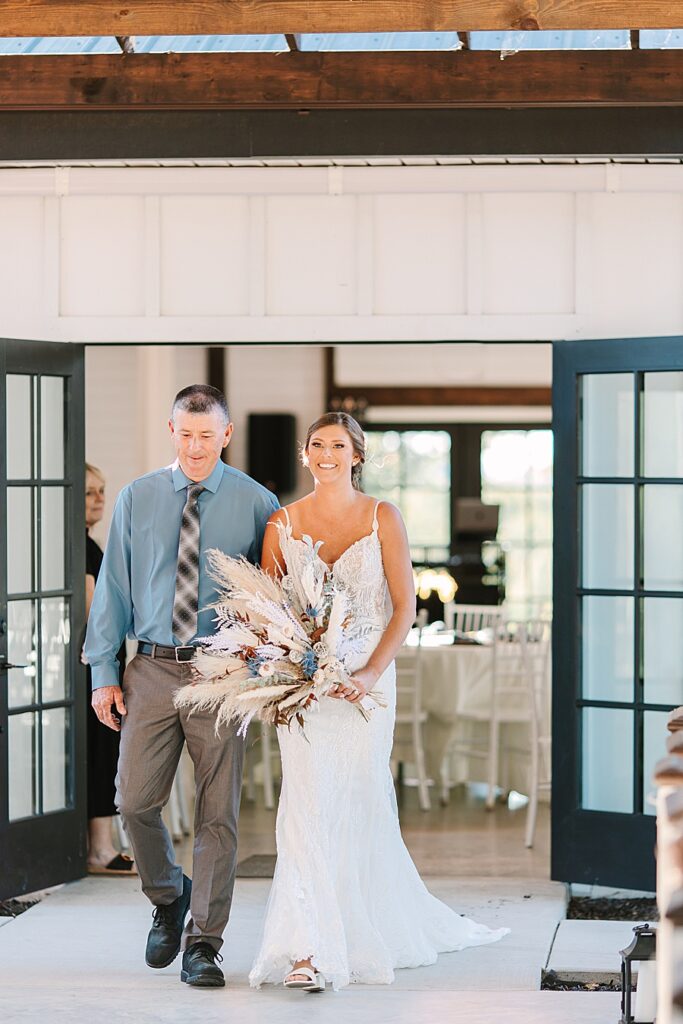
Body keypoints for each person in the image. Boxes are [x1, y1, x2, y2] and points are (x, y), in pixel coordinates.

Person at [249, 412, 509, 993]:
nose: (326, 454)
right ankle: (308, 947)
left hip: (368, 684)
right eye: (317, 445)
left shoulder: (382, 517)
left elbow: (403, 606)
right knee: (306, 807)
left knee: (356, 800)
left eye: (338, 445)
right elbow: (266, 609)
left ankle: (355, 928)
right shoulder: (281, 523)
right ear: (304, 454)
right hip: (307, 685)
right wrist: (284, 668)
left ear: (356, 454)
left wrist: (368, 674)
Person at [85, 385, 279, 989]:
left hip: (220, 671)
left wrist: (259, 667)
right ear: (173, 431)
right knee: (134, 801)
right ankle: (169, 895)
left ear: (225, 436)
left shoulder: (257, 502)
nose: (196, 447)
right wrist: (104, 673)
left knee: (217, 812)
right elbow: (113, 588)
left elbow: (272, 599)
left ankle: (204, 943)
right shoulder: (138, 497)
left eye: (207, 435)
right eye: (185, 434)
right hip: (150, 668)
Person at [83, 462, 136, 876]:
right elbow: (92, 611)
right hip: (95, 665)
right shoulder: (82, 549)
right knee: (103, 751)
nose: (100, 499)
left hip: (106, 659)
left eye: (101, 491)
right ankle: (98, 847)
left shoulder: (92, 545)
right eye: (89, 492)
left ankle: (102, 844)